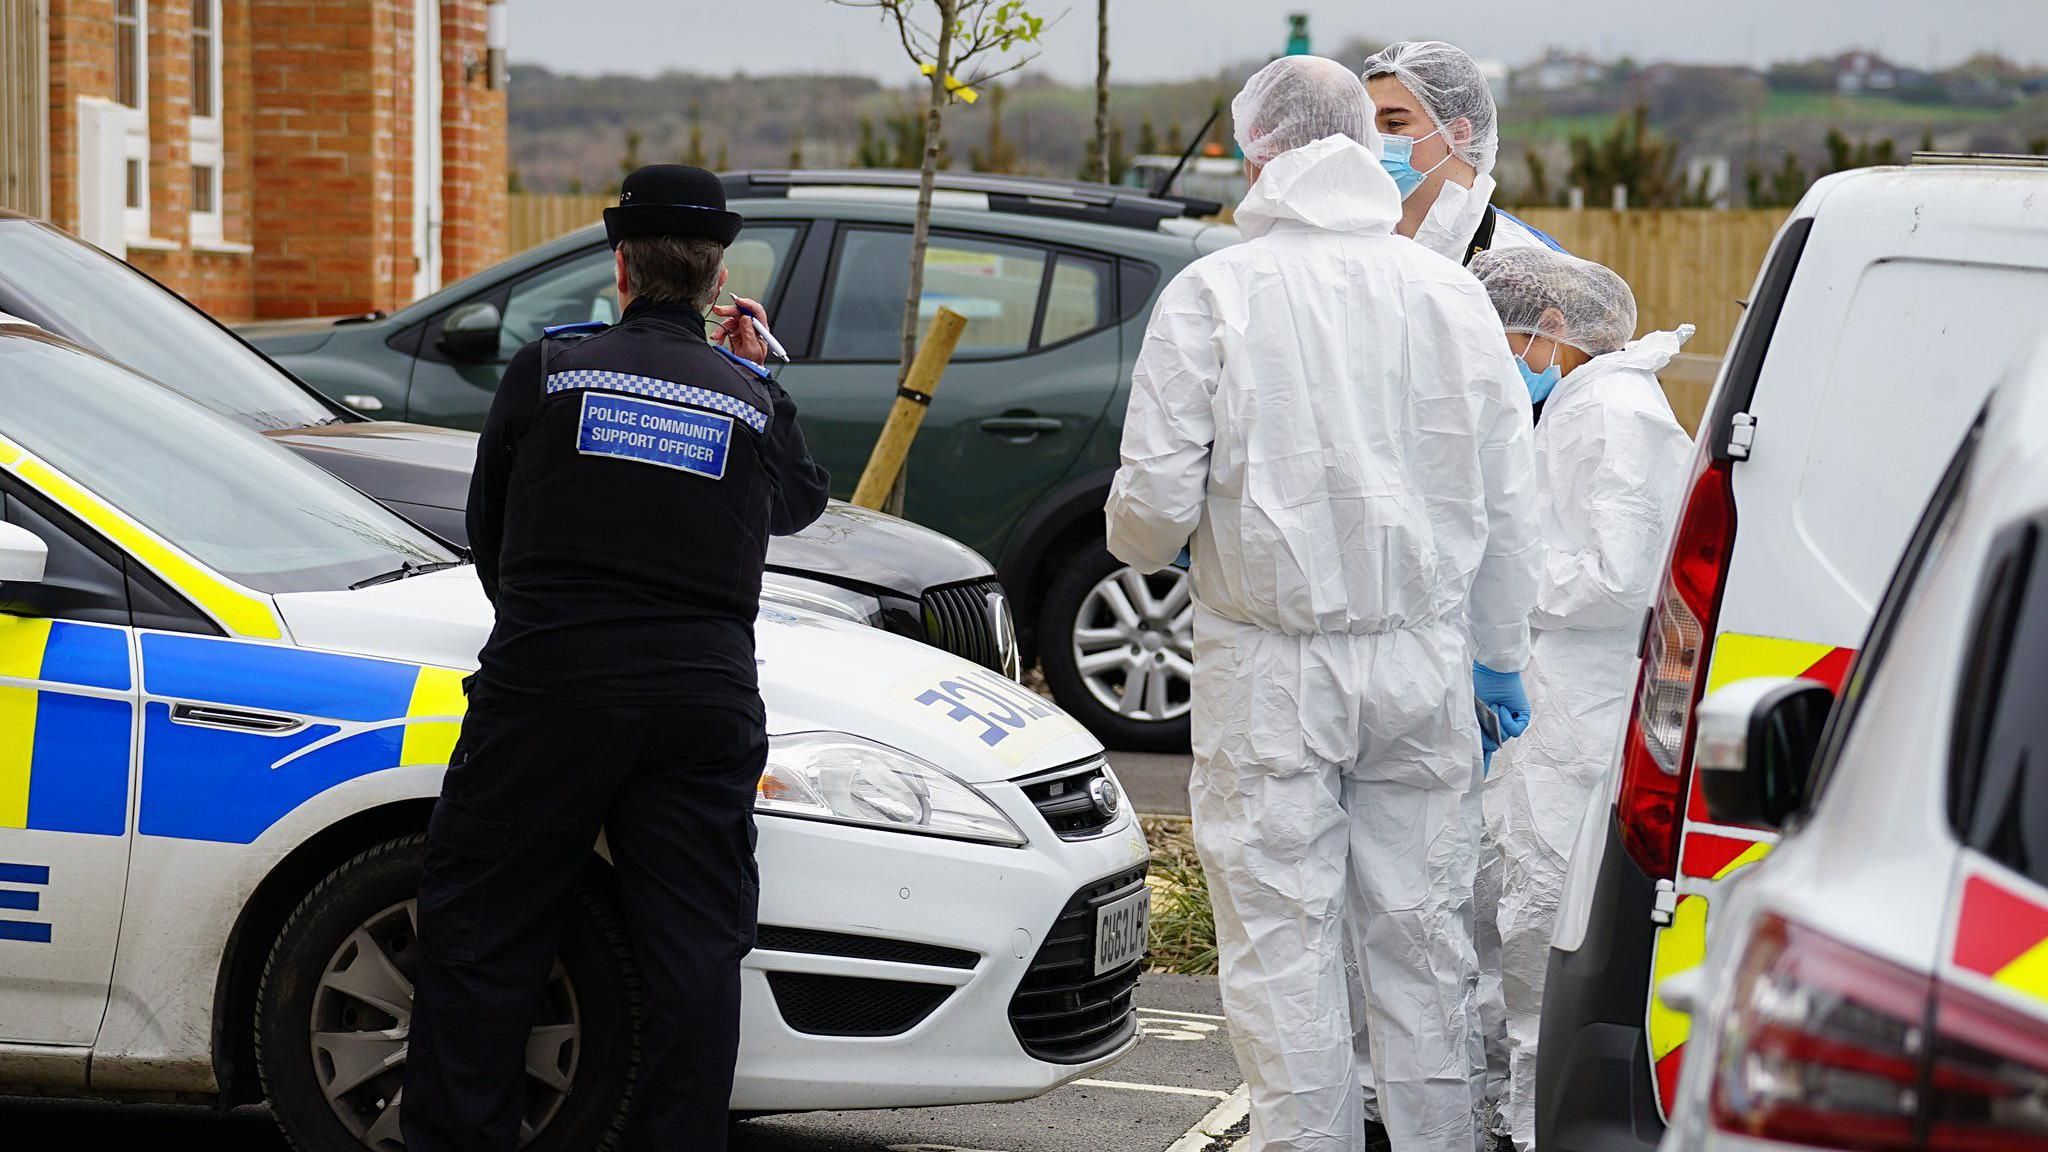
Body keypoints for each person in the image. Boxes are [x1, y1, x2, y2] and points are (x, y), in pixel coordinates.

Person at [1106, 55, 1542, 1152]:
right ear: (1362, 142)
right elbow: (1506, 499)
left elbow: (1151, 507)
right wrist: (1497, 657)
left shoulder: (1216, 291)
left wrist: (1153, 538)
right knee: (1421, 944)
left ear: (1259, 152)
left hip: (1270, 666)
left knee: (1282, 950)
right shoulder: (1445, 291)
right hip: (1422, 663)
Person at [404, 164, 831, 1152]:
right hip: (700, 701)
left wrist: (545, 633)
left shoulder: (551, 371)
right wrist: (764, 372)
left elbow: (489, 529)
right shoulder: (747, 399)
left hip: (550, 686)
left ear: (618, 266)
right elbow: (801, 504)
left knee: (484, 930)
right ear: (717, 277)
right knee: (692, 951)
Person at [1467, 247, 1694, 1152]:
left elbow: (1619, 575)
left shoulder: (1616, 413)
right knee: (1518, 915)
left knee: (1544, 918)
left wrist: (1503, 582)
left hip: (1583, 706)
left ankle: (1534, 1128)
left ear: (1553, 329)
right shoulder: (1581, 405)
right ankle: (1516, 1117)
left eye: (1506, 337)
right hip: (1560, 698)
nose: (1500, 358)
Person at [1362, 41, 1561, 266]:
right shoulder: (1354, 252)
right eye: (1367, 125)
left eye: (1395, 123)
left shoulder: (1528, 263)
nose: (1373, 141)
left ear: (1458, 134)